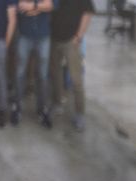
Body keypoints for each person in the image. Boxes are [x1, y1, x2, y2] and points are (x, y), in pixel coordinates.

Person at [45, 0, 84, 130]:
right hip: (54, 38)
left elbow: (87, 13)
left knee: (76, 79)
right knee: (55, 74)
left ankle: (80, 114)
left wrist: (79, 36)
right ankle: (57, 104)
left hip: (71, 40)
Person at [8, 0, 46, 128]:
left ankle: (42, 109)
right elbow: (17, 6)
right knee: (19, 74)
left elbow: (52, 5)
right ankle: (17, 108)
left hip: (43, 36)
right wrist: (37, 8)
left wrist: (33, 7)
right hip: (24, 36)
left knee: (42, 75)